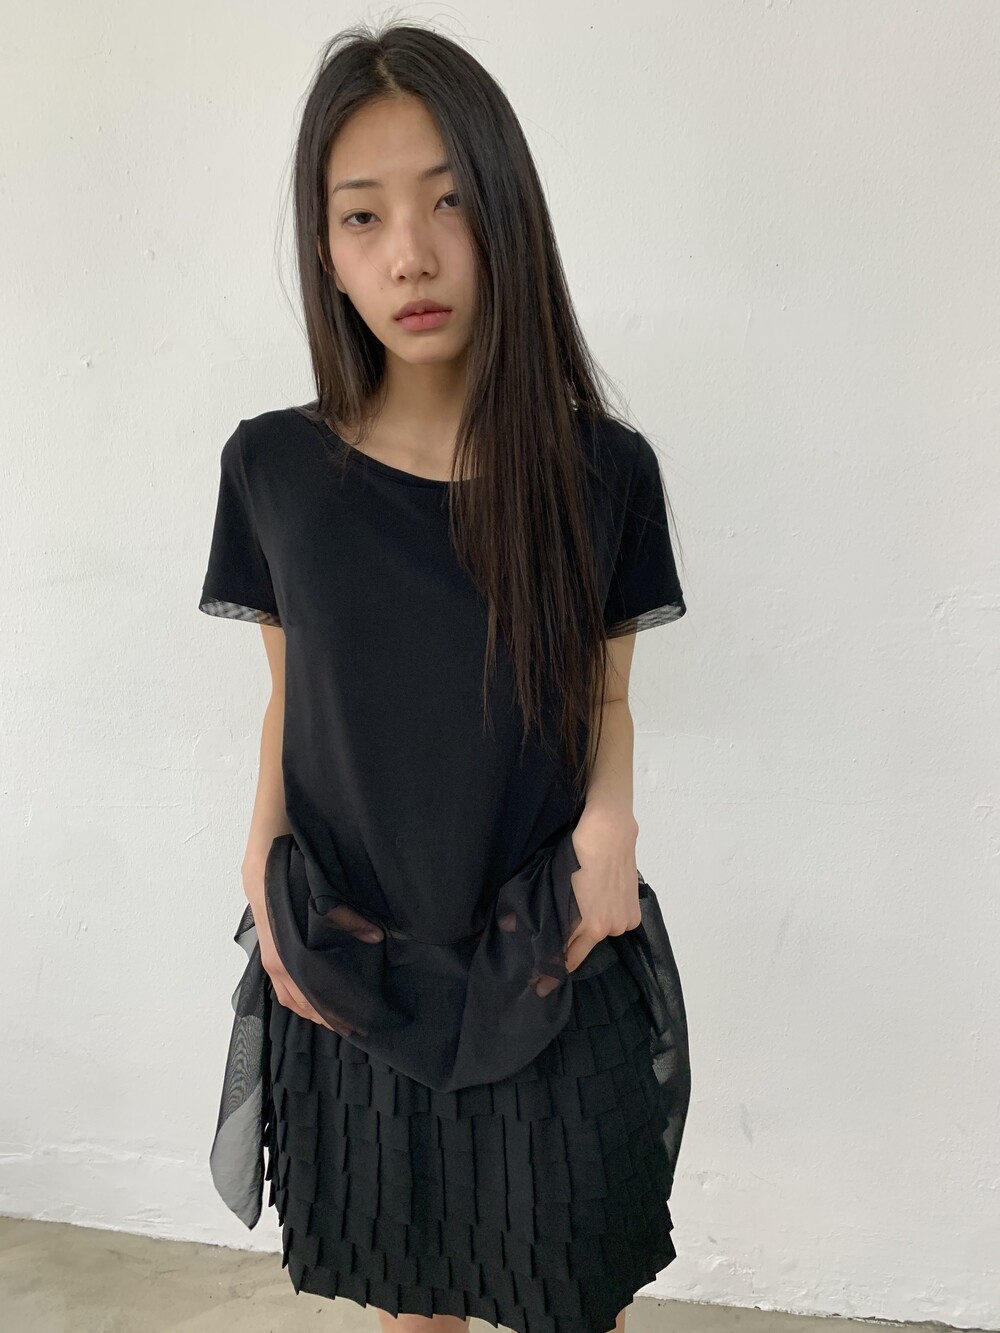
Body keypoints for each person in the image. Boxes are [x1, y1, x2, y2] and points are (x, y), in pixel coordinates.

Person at [198, 21, 692, 1333]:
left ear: (507, 212)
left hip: (546, 940)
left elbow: (606, 692)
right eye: (362, 216)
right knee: (414, 1299)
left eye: (449, 201)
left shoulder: (603, 471)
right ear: (325, 247)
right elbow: (290, 694)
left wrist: (609, 827)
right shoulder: (273, 471)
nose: (408, 254)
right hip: (355, 949)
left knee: (573, 1289)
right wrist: (261, 865)